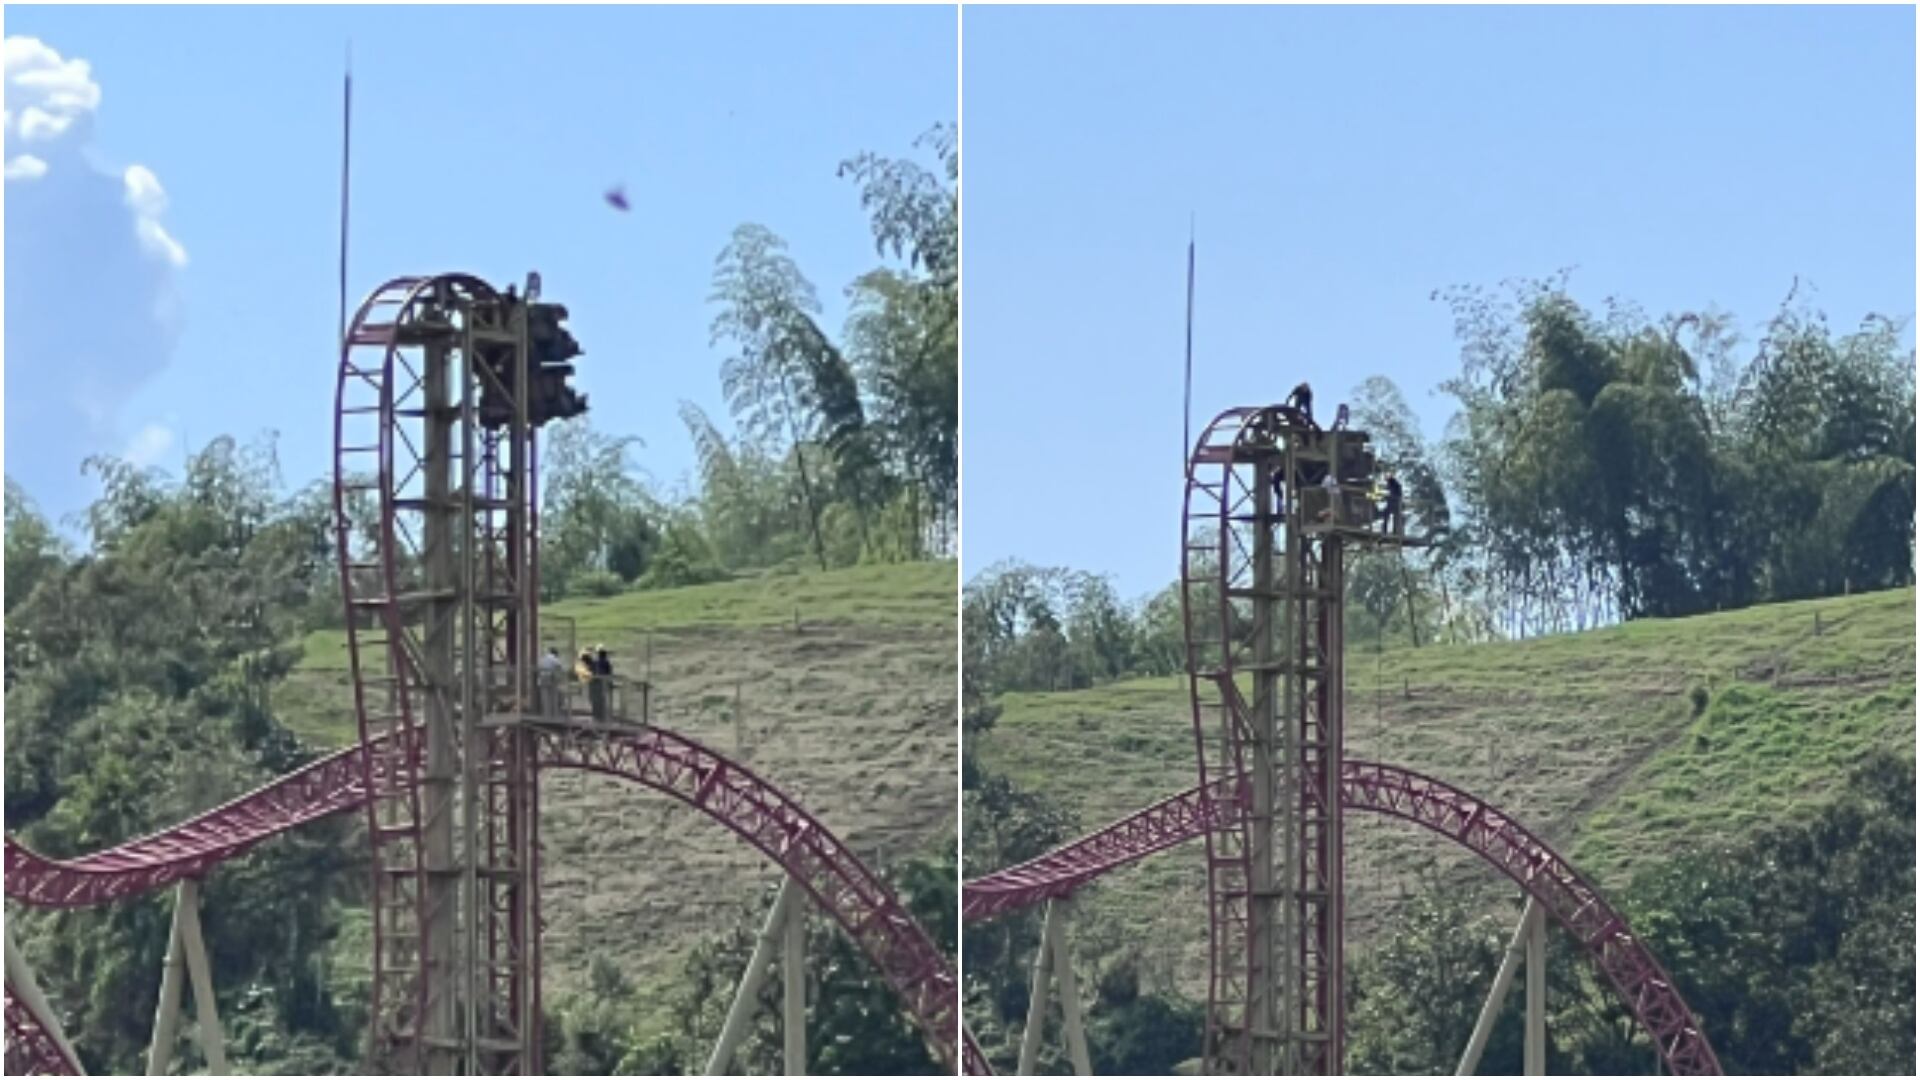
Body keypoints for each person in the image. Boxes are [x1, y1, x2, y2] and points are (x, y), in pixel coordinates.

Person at [538, 646, 564, 716]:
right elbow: (560, 667)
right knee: (553, 696)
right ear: (555, 653)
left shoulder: (543, 658)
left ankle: (546, 713)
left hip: (542, 678)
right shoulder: (554, 659)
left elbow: (539, 667)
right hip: (551, 678)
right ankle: (554, 713)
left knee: (545, 697)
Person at [591, 646, 614, 721]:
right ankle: (602, 716)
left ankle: (596, 716)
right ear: (605, 655)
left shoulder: (595, 662)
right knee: (602, 700)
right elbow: (609, 674)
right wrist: (610, 684)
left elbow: (591, 672)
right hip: (602, 684)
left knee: (595, 700)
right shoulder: (607, 663)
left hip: (595, 684)